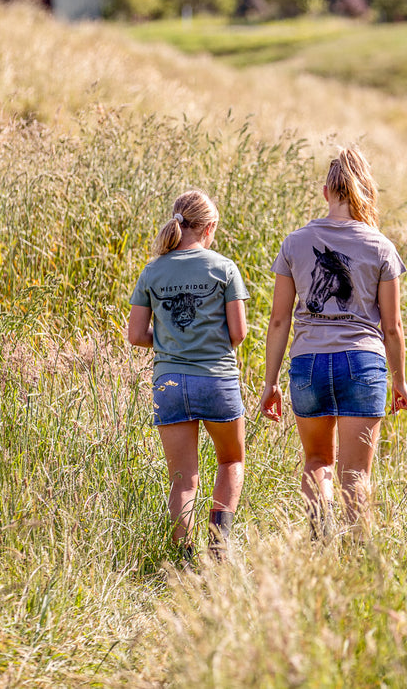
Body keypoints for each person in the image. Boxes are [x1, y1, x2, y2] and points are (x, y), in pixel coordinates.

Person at [259, 147, 407, 535]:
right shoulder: (380, 247)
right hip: (362, 364)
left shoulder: (295, 243)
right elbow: (392, 326)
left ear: (326, 191)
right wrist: (399, 381)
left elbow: (279, 321)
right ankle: (357, 558)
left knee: (316, 463)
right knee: (356, 472)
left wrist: (270, 382)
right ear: (365, 190)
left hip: (308, 363)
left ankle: (321, 543)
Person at [127, 190, 249, 559]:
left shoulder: (153, 270)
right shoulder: (224, 268)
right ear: (209, 228)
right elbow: (239, 333)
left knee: (183, 478)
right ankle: (219, 546)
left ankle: (182, 558)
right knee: (230, 461)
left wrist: (169, 341)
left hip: (169, 382)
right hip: (217, 379)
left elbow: (135, 335)